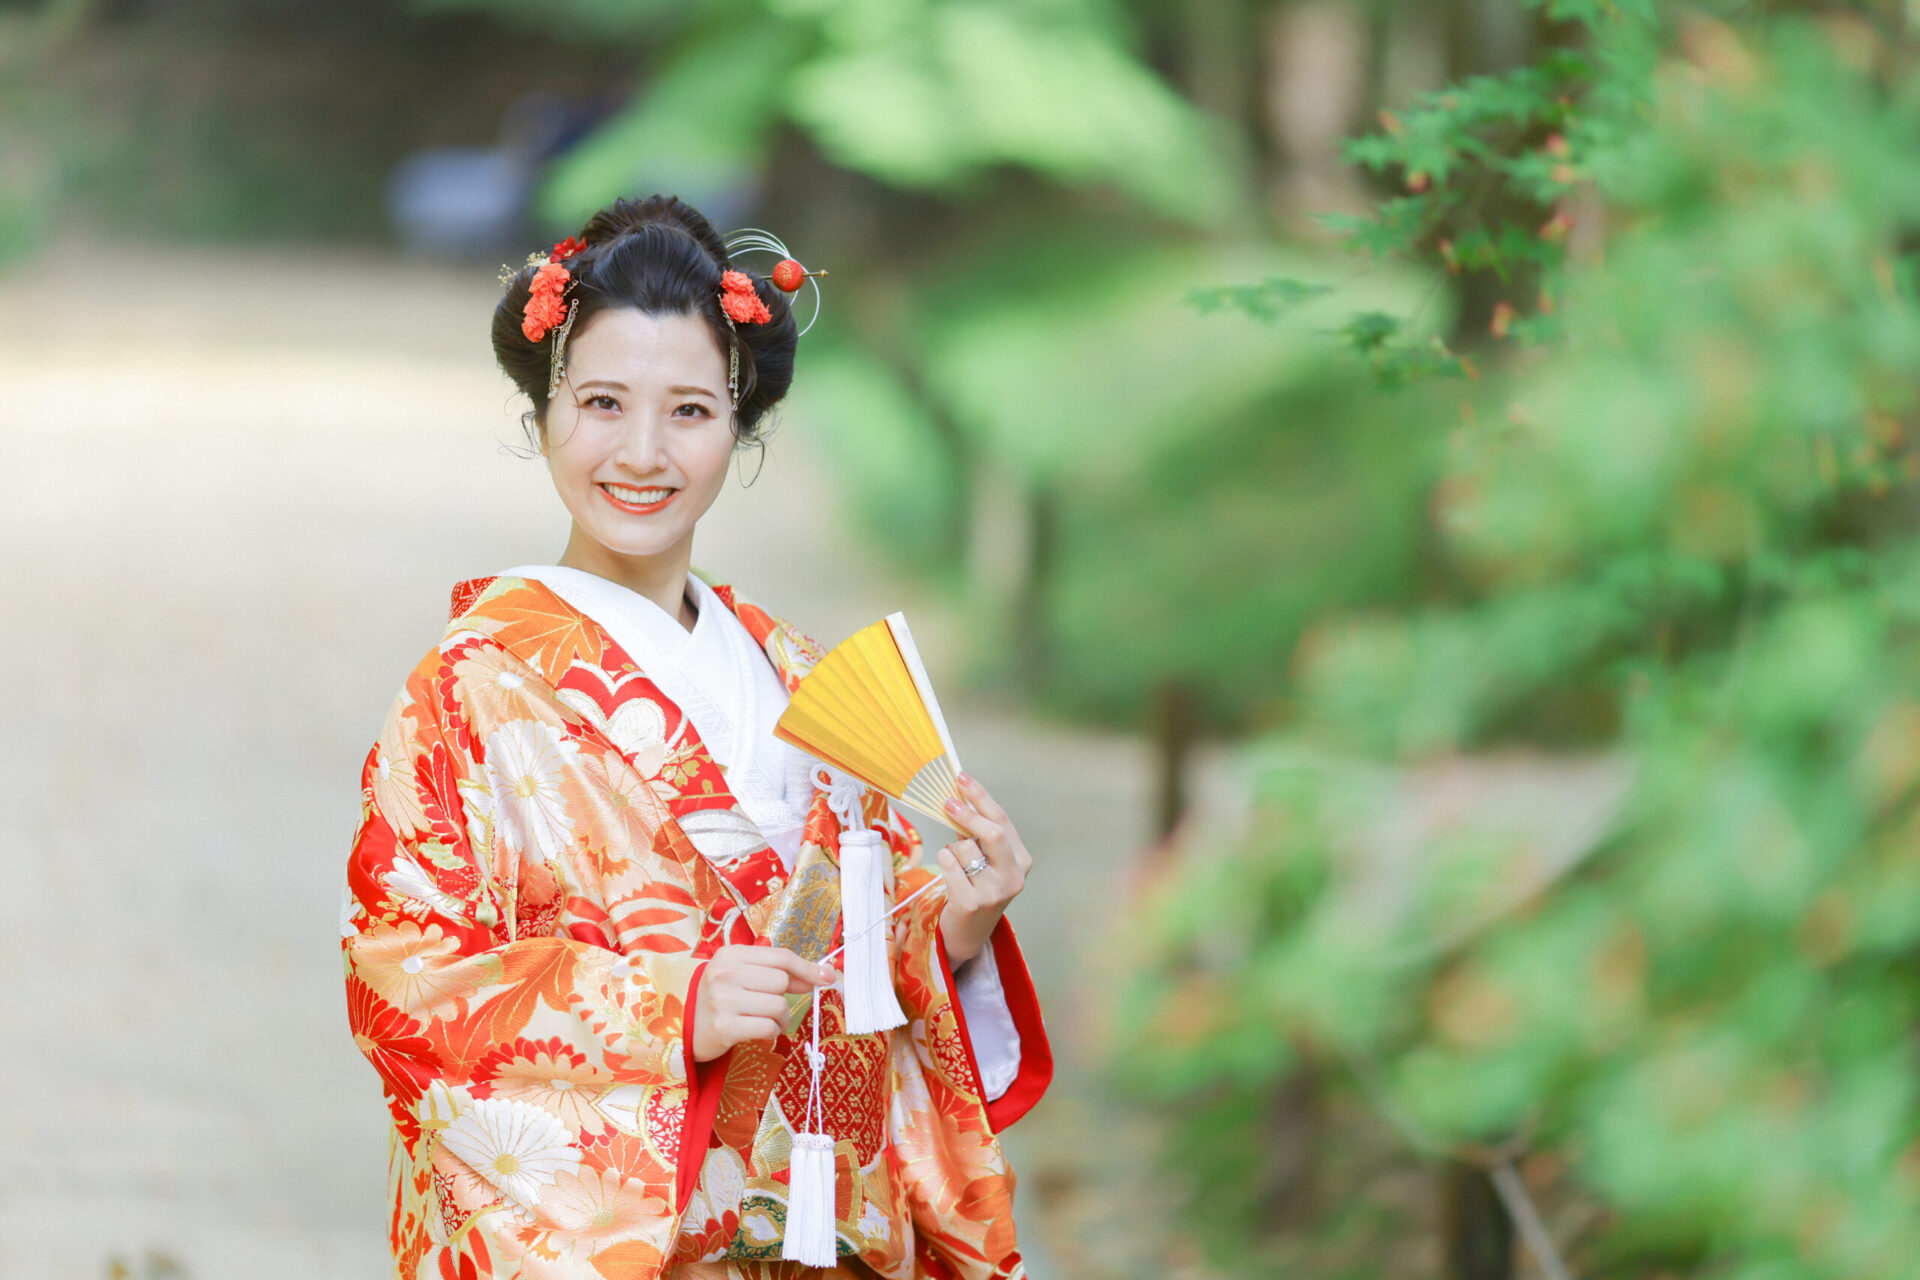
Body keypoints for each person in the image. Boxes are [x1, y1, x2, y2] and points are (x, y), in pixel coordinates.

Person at [341, 193, 1053, 1280]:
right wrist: (673, 1006)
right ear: (542, 414)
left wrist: (946, 927)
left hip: (826, 1238)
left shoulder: (804, 674)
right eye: (602, 402)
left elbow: (849, 964)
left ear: (740, 424)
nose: (641, 451)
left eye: (688, 411)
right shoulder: (469, 688)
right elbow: (403, 980)